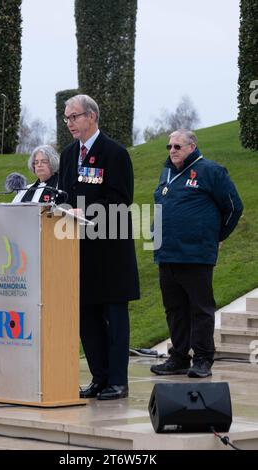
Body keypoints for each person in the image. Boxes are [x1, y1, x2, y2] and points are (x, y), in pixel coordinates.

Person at [58, 94, 140, 400]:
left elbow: (121, 199)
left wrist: (86, 212)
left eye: (74, 117)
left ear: (92, 116)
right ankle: (99, 377)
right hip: (78, 251)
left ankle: (118, 381)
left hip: (110, 251)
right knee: (86, 318)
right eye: (67, 118)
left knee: (115, 319)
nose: (70, 123)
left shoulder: (114, 153)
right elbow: (65, 194)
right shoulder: (67, 155)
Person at [151, 129, 243, 378]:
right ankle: (179, 357)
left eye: (177, 146)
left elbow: (234, 207)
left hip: (195, 255)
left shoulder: (210, 171)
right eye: (169, 147)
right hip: (167, 253)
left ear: (192, 146)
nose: (172, 151)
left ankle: (203, 358)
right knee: (174, 309)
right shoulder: (167, 172)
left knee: (200, 309)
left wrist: (216, 236)